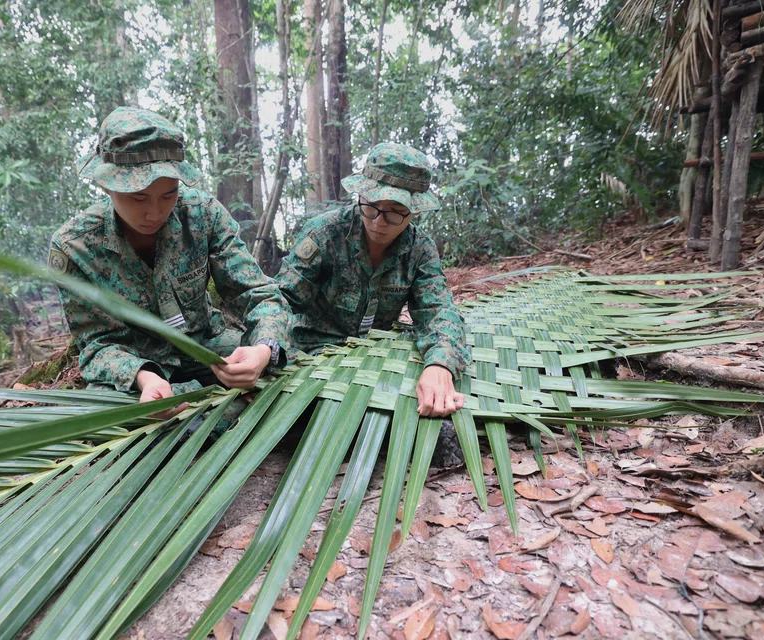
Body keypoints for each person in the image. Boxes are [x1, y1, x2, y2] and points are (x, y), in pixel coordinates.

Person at [49, 107, 289, 419]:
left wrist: (261, 351)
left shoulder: (203, 215)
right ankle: (208, 419)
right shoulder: (75, 245)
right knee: (104, 411)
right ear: (106, 185)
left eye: (169, 194)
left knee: (287, 366)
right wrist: (145, 379)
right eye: (138, 197)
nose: (154, 212)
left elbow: (260, 295)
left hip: (206, 348)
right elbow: (97, 345)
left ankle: (205, 419)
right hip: (136, 369)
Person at [276, 143, 471, 466]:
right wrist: (268, 351)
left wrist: (440, 366)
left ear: (414, 212)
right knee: (296, 399)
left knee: (437, 384)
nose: (379, 221)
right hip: (312, 353)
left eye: (395, 212)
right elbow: (281, 300)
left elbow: (438, 312)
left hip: (375, 357)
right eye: (371, 207)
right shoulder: (325, 233)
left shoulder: (419, 248)